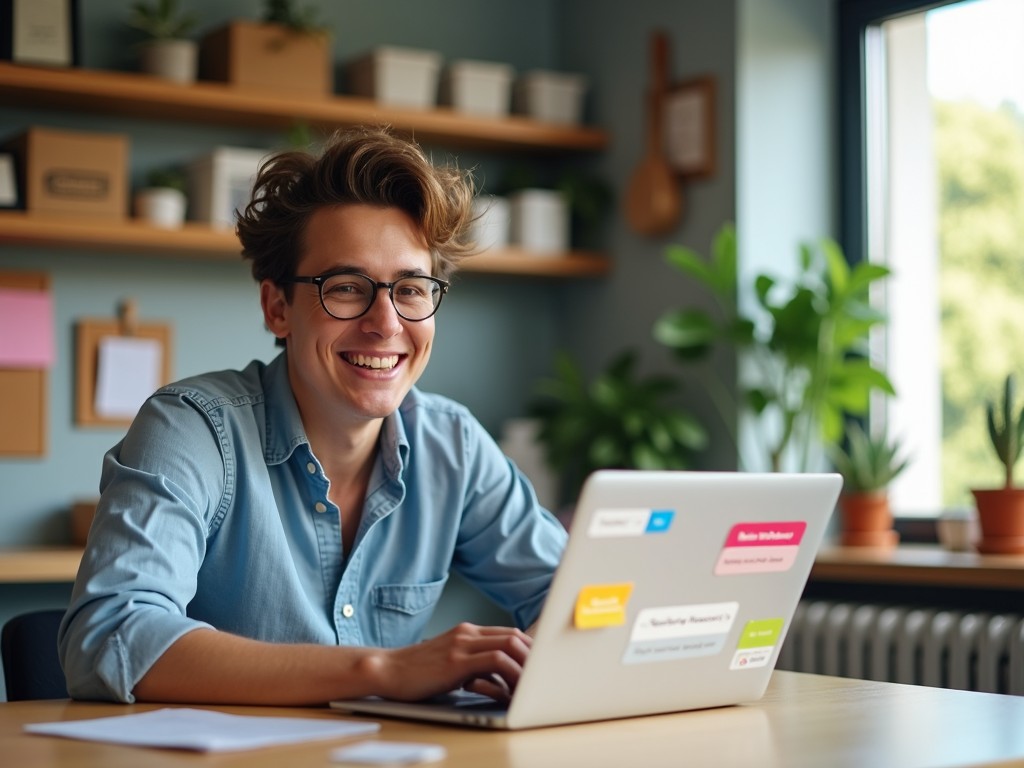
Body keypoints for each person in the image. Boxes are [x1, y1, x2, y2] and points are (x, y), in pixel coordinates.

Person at [58, 126, 568, 705]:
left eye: (412, 289)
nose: (386, 323)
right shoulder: (193, 429)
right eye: (346, 287)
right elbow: (110, 637)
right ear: (279, 308)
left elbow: (576, 594)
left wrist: (530, 668)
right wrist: (381, 670)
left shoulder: (452, 444)